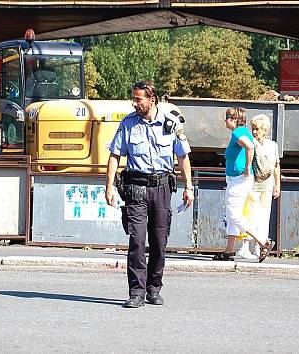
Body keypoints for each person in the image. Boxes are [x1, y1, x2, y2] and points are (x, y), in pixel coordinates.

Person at [105, 80, 194, 308]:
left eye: (138, 99)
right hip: (136, 188)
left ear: (151, 99)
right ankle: (136, 292)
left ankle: (154, 288)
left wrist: (189, 187)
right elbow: (115, 154)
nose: (134, 103)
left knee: (159, 241)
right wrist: (109, 187)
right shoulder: (128, 124)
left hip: (162, 188)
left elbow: (183, 157)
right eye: (133, 98)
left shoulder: (170, 123)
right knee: (136, 240)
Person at [214, 108, 274, 262]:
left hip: (238, 180)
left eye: (227, 117)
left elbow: (250, 146)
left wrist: (247, 167)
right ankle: (229, 250)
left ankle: (263, 241)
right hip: (239, 180)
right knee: (232, 214)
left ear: (234, 119)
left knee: (234, 215)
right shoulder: (243, 131)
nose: (225, 120)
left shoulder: (238, 133)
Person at [237, 114, 280, 259]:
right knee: (250, 214)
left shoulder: (272, 145)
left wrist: (277, 185)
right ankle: (244, 245)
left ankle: (259, 245)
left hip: (267, 185)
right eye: (253, 128)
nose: (254, 132)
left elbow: (276, 166)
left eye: (257, 129)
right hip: (253, 184)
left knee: (264, 216)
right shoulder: (250, 143)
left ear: (264, 129)